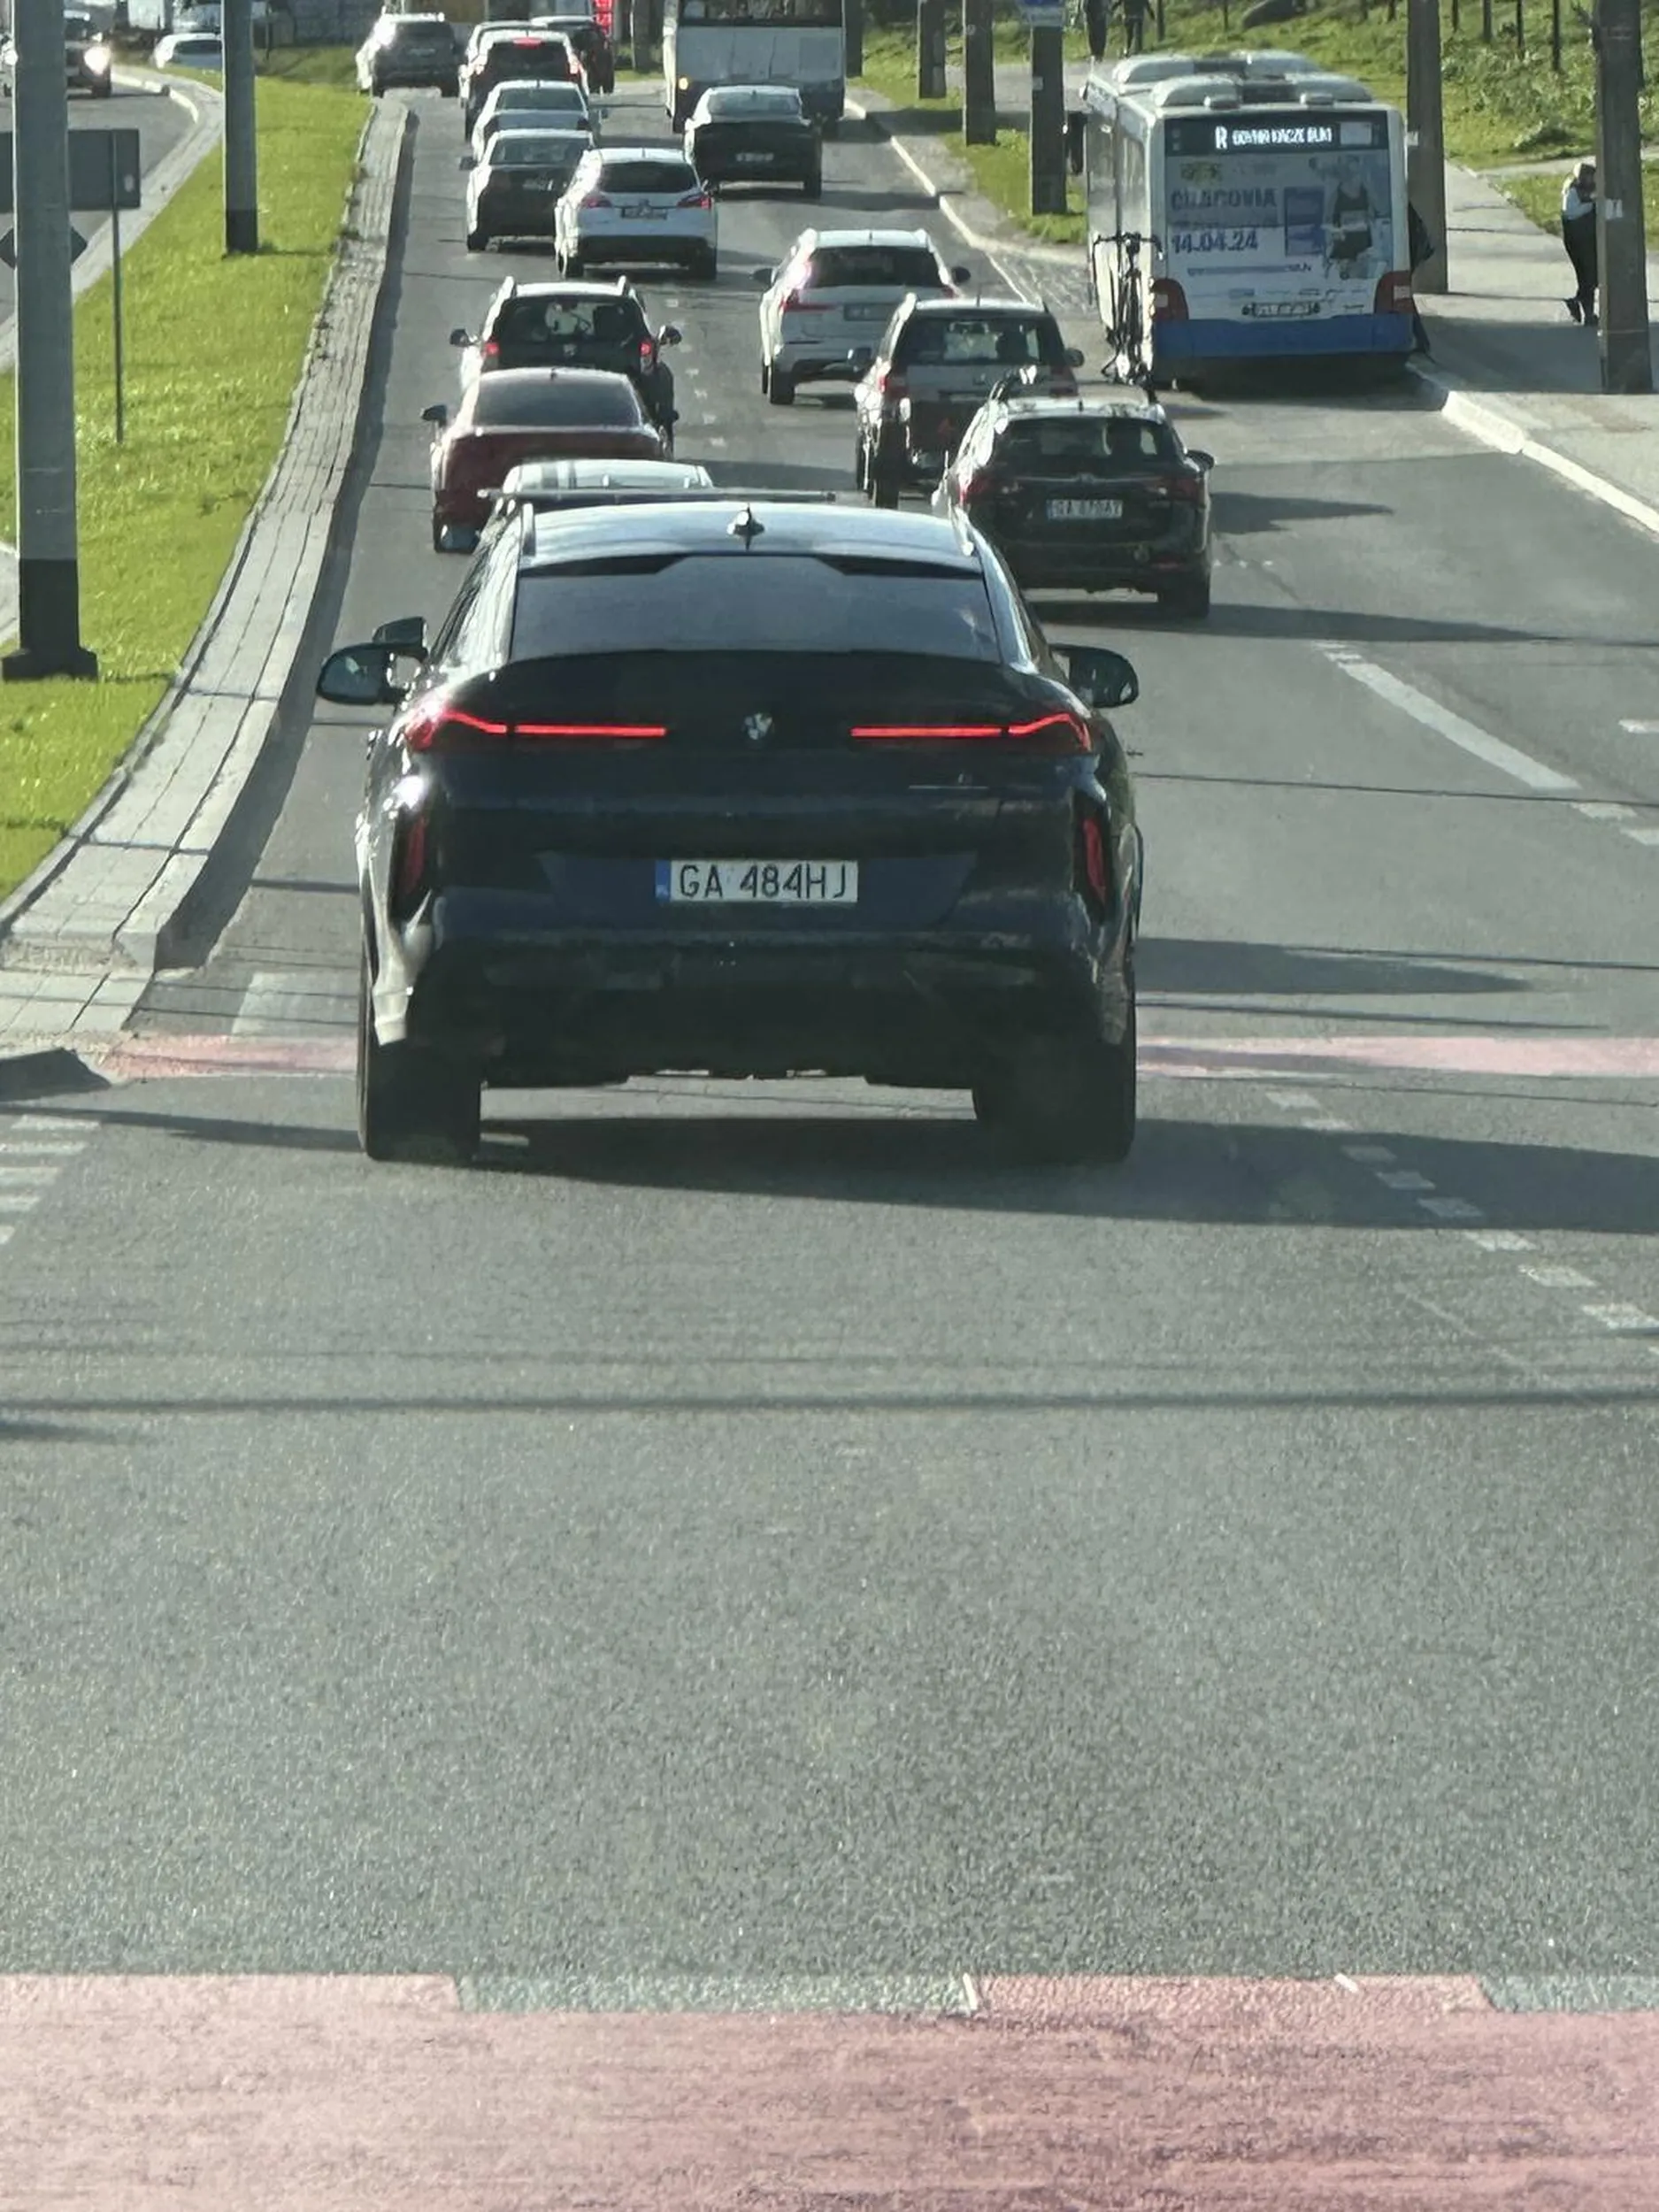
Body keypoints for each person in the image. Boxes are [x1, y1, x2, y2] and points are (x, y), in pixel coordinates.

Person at [1561, 158, 1598, 327]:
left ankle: (1586, 312)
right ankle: (1585, 310)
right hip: (1582, 239)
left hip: (1576, 239)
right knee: (1589, 277)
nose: (1593, 181)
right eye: (1591, 177)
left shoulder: (1573, 188)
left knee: (1586, 277)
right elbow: (1591, 200)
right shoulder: (1576, 191)